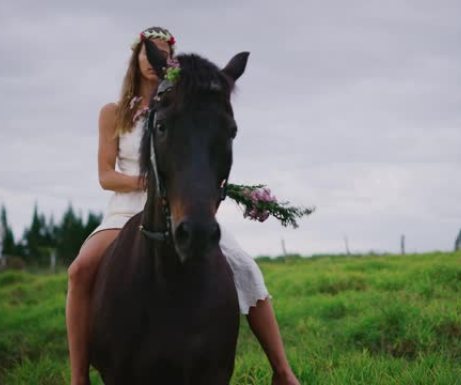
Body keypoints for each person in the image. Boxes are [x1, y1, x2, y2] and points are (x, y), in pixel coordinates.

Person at [65, 26, 300, 385]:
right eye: (149, 51)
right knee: (80, 269)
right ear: (138, 57)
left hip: (182, 203)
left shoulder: (181, 107)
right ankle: (79, 376)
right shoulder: (114, 113)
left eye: (162, 51)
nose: (153, 58)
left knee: (246, 267)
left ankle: (282, 371)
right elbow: (106, 176)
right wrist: (153, 181)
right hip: (127, 208)